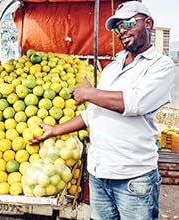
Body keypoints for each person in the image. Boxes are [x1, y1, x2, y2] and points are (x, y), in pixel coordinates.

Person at [31, 1, 175, 219]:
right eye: (118, 27)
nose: (122, 31)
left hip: (133, 178)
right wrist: (55, 130)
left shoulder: (160, 65)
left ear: (148, 23)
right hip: (99, 174)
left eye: (127, 23)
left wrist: (89, 93)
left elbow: (135, 102)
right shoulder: (114, 66)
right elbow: (92, 114)